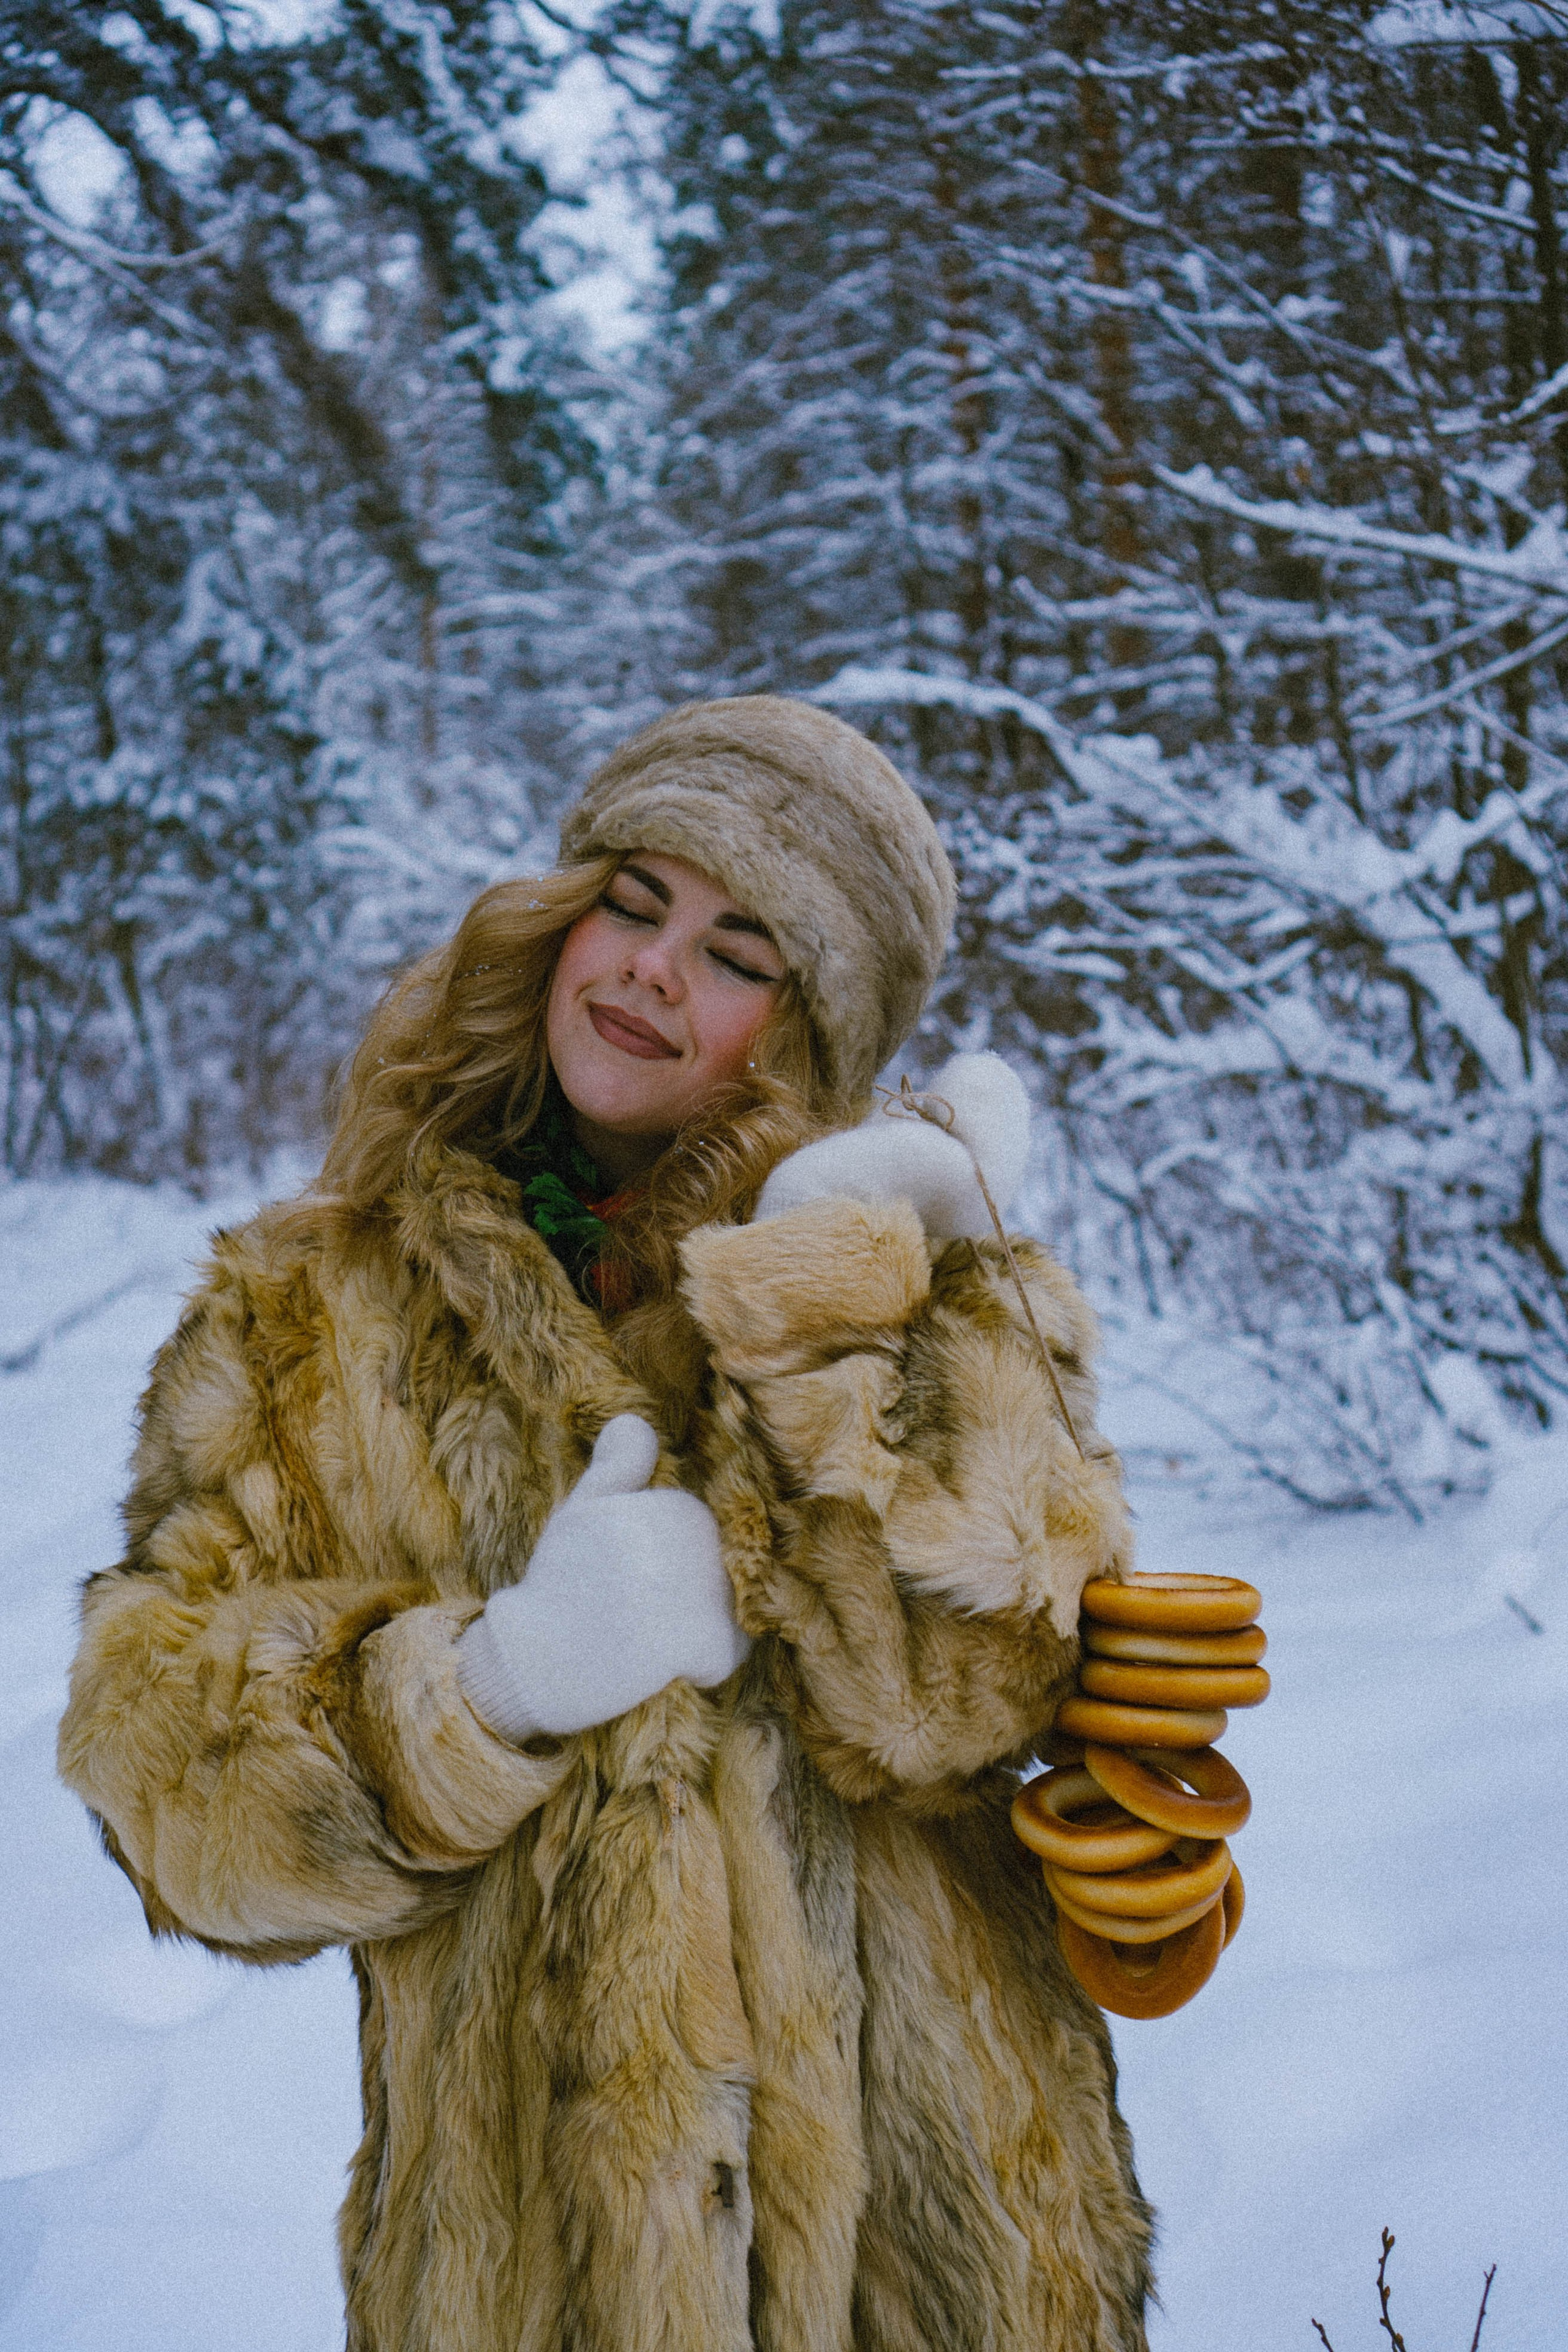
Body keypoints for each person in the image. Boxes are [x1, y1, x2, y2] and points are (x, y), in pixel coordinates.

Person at [58, 697, 1153, 2352]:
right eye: (631, 904)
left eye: (738, 950)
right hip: (528, 2276)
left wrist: (845, 1305)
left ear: (816, 1027)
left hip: (941, 2263)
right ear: (557, 921)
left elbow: (974, 1697)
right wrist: (476, 1693)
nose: (650, 968)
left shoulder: (918, 1273)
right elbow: (156, 1771)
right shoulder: (310, 1306)